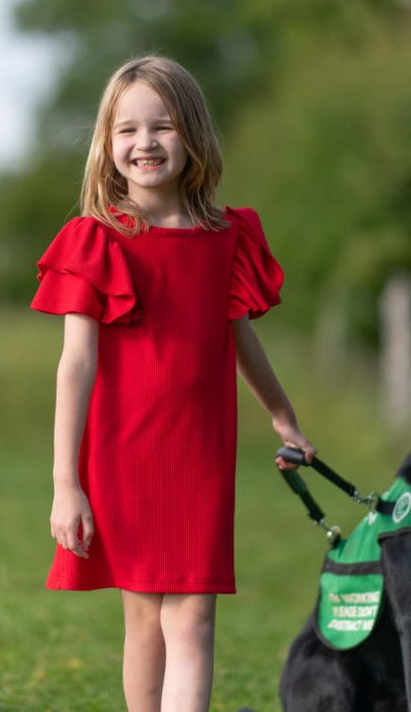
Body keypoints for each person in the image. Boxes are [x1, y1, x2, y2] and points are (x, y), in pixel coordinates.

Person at [29, 55, 316, 712]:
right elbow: (75, 363)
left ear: (193, 135)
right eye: (127, 130)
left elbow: (240, 336)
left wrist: (283, 416)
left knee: (191, 618)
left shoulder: (227, 237)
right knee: (144, 622)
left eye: (162, 126)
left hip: (199, 454)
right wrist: (64, 482)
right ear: (107, 143)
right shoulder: (94, 239)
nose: (146, 142)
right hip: (124, 453)